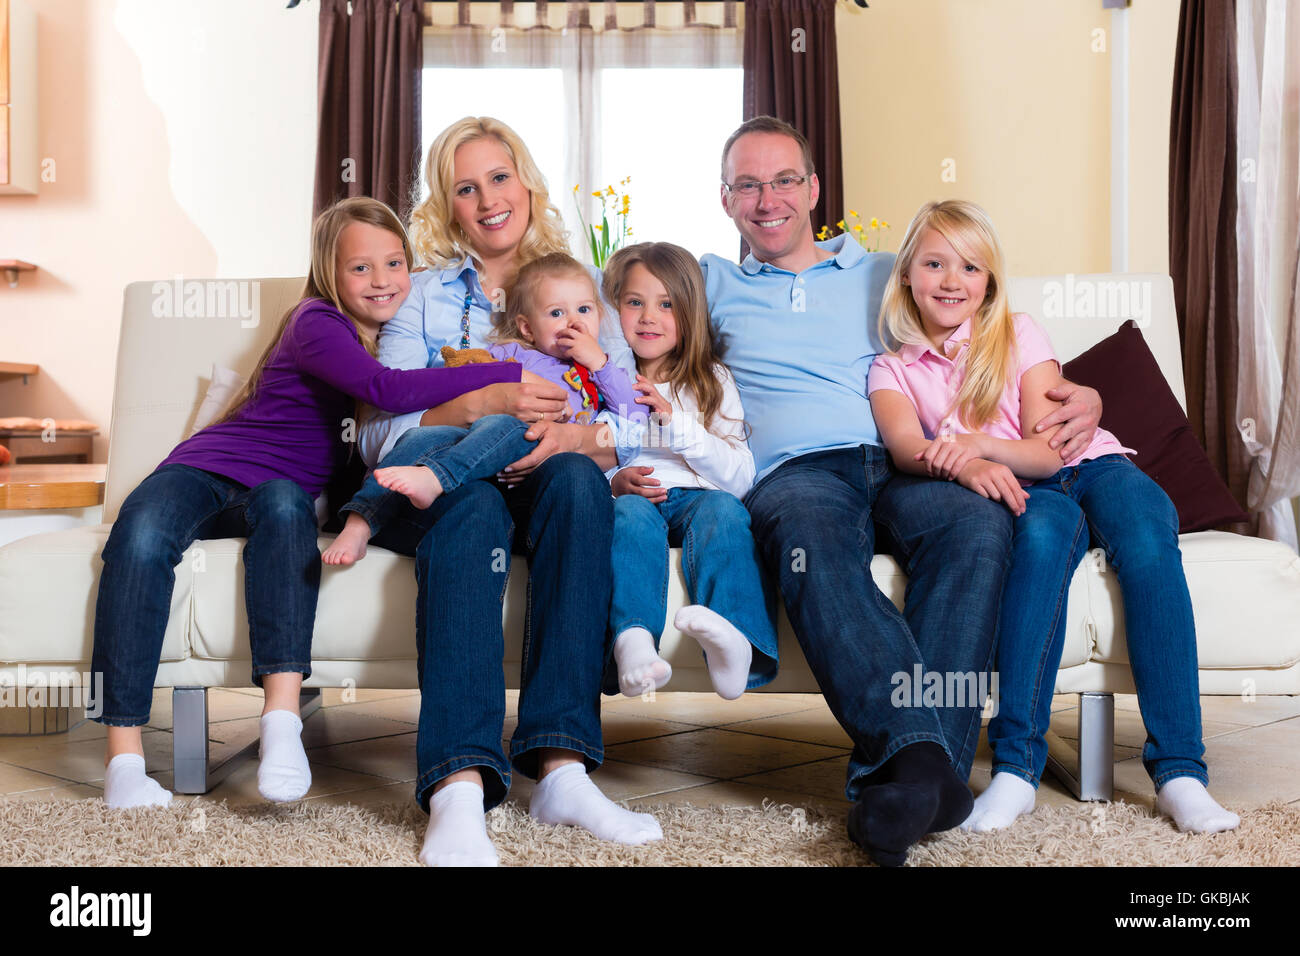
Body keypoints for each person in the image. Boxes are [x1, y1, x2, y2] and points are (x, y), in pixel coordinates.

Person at [690, 115, 1104, 867]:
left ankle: (913, 779)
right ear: (725, 200)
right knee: (811, 543)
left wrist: (1087, 398)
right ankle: (923, 771)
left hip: (911, 460)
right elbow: (614, 316)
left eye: (785, 179)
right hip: (799, 474)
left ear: (814, 189)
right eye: (747, 184)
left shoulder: (892, 268)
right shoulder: (708, 284)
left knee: (980, 529)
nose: (768, 198)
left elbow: (992, 329)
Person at [90, 197, 522, 809]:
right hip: (206, 468)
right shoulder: (317, 321)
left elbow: (378, 439)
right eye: (360, 268)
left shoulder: (393, 338)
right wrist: (496, 376)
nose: (381, 281)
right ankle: (125, 759)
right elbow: (385, 392)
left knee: (290, 513)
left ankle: (281, 723)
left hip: (278, 493)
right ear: (329, 273)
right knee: (136, 540)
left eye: (394, 263)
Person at [869, 199, 1239, 835]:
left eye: (971, 267)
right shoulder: (891, 368)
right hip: (1031, 493)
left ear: (989, 282)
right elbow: (908, 449)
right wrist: (959, 460)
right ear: (906, 273)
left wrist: (977, 446)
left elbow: (1050, 449)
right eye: (934, 264)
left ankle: (1180, 772)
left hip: (1087, 465)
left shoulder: (1017, 331)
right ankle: (1016, 769)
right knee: (1039, 542)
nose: (952, 280)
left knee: (1149, 528)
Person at [356, 116, 662, 867]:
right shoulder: (422, 297)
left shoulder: (578, 289)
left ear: (526, 184)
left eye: (500, 177)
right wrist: (477, 409)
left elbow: (632, 421)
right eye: (466, 188)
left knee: (581, 488)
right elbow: (378, 433)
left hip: (552, 481)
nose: (488, 199)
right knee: (473, 505)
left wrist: (570, 439)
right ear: (446, 205)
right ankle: (458, 783)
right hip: (446, 484)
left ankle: (562, 769)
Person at [323, 252, 646, 565]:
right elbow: (470, 372)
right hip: (490, 448)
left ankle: (434, 478)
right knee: (417, 439)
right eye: (556, 313)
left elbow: (632, 416)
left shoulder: (598, 371)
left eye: (584, 310)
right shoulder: (515, 353)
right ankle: (359, 521)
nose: (574, 322)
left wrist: (599, 362)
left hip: (541, 472)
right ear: (527, 328)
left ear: (600, 318)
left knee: (525, 441)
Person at [600, 242, 777, 701]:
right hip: (639, 498)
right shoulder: (605, 377)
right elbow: (589, 455)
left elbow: (739, 477)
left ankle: (735, 642)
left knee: (723, 512)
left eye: (666, 305)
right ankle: (633, 642)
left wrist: (673, 423)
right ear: (616, 306)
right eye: (634, 302)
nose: (648, 317)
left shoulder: (710, 379)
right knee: (630, 517)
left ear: (690, 313)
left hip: (699, 496)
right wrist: (613, 483)